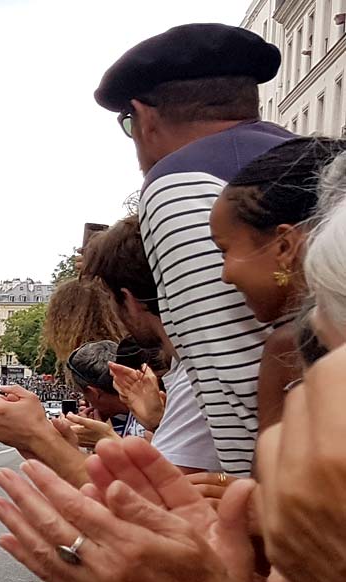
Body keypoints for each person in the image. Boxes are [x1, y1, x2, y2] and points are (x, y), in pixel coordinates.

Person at [96, 22, 289, 477]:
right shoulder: (300, 155)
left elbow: (228, 364)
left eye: (128, 124)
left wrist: (261, 501)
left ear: (145, 117)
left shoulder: (178, 181)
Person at [211, 136, 346, 427]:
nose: (225, 274)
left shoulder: (288, 344)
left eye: (225, 250)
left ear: (284, 247)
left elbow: (273, 473)